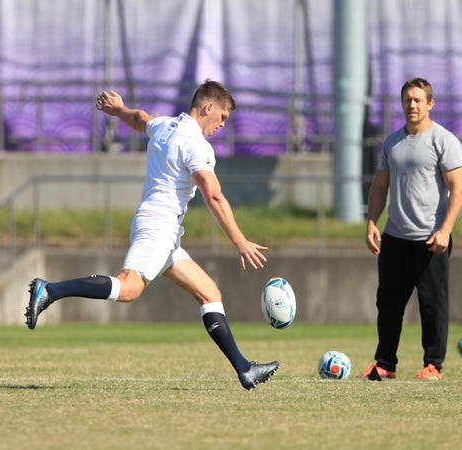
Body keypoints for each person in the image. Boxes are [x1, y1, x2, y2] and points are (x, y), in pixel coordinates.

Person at [24, 79, 279, 390]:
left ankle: (244, 370)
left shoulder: (166, 126)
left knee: (209, 293)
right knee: (128, 288)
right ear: (208, 107)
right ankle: (49, 290)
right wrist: (239, 240)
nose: (222, 125)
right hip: (158, 226)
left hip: (163, 230)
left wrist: (119, 111)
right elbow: (213, 196)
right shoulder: (197, 145)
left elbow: (139, 118)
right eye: (222, 117)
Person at [361, 77, 462, 381]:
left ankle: (434, 364)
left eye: (418, 100)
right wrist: (371, 222)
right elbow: (380, 186)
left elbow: (457, 188)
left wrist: (446, 229)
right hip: (395, 237)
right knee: (388, 304)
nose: (412, 105)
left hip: (431, 238)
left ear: (430, 104)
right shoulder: (392, 142)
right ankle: (385, 364)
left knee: (433, 305)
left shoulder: (444, 140)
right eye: (407, 99)